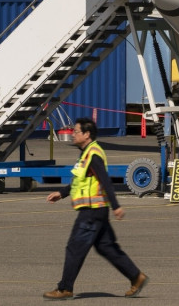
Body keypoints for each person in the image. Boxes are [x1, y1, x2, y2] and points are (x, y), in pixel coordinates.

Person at [43, 118, 148, 300]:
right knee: (106, 247)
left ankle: (65, 288)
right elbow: (80, 181)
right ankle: (136, 277)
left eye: (76, 132)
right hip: (96, 210)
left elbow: (105, 180)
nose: (73, 135)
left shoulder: (93, 154)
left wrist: (116, 206)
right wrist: (62, 193)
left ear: (86, 134)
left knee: (75, 248)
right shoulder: (86, 153)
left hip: (91, 211)